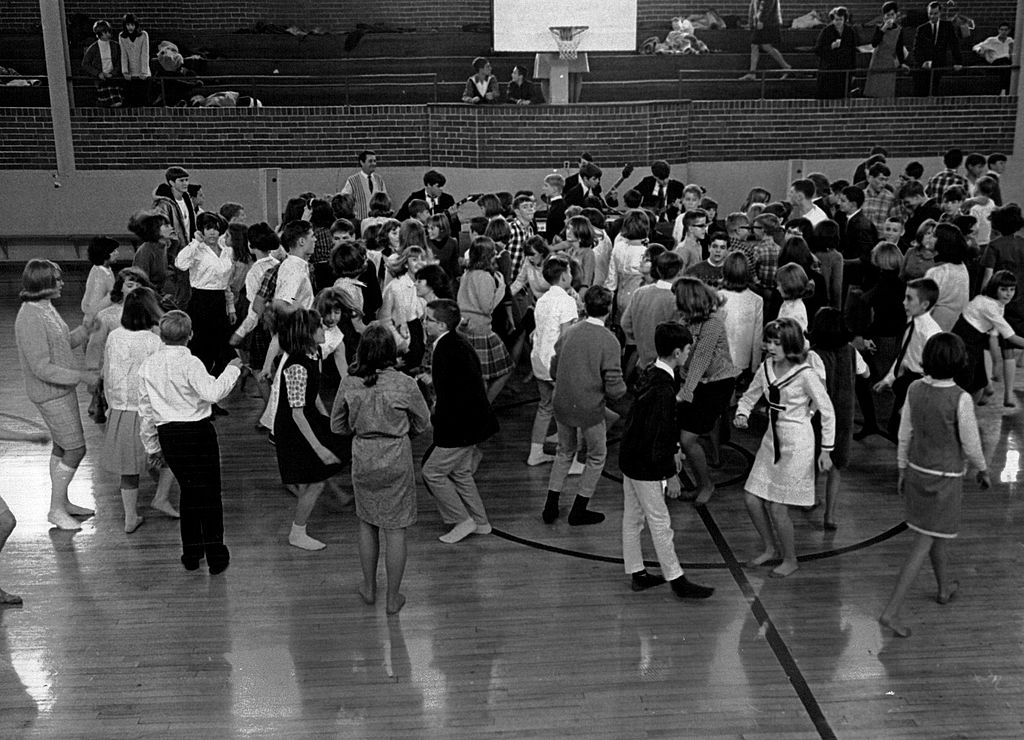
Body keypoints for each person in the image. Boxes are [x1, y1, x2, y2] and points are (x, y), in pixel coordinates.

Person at [879, 332, 990, 638]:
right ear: (960, 363)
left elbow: (905, 433)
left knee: (934, 535)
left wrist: (901, 466)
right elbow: (970, 442)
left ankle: (943, 588)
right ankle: (891, 611)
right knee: (925, 541)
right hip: (945, 480)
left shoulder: (914, 388)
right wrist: (982, 469)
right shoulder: (961, 398)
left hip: (916, 473)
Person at [330, 324, 431, 615]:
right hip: (396, 455)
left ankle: (369, 587)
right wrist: (400, 433)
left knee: (367, 521)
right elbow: (423, 423)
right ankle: (393, 597)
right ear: (391, 352)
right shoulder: (405, 384)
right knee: (396, 528)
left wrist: (359, 429)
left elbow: (336, 425)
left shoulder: (350, 383)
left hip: (363, 455)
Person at [137, 311, 243, 573]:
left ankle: (192, 553)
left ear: (161, 335)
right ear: (190, 335)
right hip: (198, 433)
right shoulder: (191, 363)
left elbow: (146, 410)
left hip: (169, 435)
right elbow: (213, 393)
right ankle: (216, 554)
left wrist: (152, 446)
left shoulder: (148, 366)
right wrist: (232, 370)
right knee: (209, 495)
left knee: (189, 492)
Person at [620, 322, 716, 599]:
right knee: (660, 520)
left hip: (631, 456)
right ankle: (676, 579)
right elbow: (658, 433)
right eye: (687, 350)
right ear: (677, 352)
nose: (689, 354)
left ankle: (637, 571)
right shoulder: (663, 387)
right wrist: (670, 474)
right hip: (645, 463)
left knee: (633, 517)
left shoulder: (651, 372)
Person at [734, 318, 835, 578]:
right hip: (771, 441)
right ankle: (769, 547)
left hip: (798, 444)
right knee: (751, 498)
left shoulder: (806, 374)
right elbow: (749, 395)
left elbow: (827, 411)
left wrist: (825, 450)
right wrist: (742, 413)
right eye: (768, 341)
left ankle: (790, 559)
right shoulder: (766, 367)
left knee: (779, 509)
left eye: (776, 342)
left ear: (790, 344)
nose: (770, 347)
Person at [14, 260, 99, 531]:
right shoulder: (30, 317)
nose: (62, 283)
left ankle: (62, 502)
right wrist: (82, 376)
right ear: (43, 285)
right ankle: (56, 509)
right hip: (50, 393)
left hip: (60, 390)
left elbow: (61, 343)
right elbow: (42, 367)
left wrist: (85, 330)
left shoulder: (45, 308)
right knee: (76, 448)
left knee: (63, 447)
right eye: (57, 280)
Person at [543, 287, 626, 526]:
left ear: (585, 306)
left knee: (564, 451)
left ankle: (551, 505)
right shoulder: (609, 340)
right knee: (597, 456)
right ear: (609, 309)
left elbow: (554, 367)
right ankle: (579, 509)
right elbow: (614, 384)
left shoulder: (571, 332)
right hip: (589, 407)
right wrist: (623, 393)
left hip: (562, 401)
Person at [420, 299, 499, 544]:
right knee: (461, 472)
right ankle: (481, 521)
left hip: (460, 425)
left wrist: (436, 419)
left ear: (442, 324)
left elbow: (449, 397)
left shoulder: (444, 349)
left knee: (432, 472)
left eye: (428, 319)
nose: (424, 323)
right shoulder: (456, 344)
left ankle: (462, 520)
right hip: (475, 422)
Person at [102, 287, 178, 533]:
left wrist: (108, 403)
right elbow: (163, 379)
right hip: (148, 411)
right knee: (169, 456)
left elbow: (107, 370)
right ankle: (161, 497)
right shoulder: (154, 341)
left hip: (119, 409)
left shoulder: (114, 336)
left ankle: (130, 516)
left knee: (128, 468)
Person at [274, 309, 347, 552]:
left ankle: (331, 496)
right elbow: (296, 412)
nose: (323, 331)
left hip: (309, 417)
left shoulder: (314, 353)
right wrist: (319, 446)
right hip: (294, 427)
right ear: (308, 333)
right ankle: (298, 531)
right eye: (319, 327)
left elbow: (311, 393)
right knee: (315, 481)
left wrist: (326, 418)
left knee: (317, 473)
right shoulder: (296, 365)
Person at [674, 277, 740, 505]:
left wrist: (686, 391)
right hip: (694, 382)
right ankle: (702, 481)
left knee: (687, 439)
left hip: (716, 384)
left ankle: (706, 484)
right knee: (687, 436)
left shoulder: (713, 323)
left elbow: (701, 359)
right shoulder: (686, 319)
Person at [808, 307, 869, 530]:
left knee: (814, 459)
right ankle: (830, 515)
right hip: (845, 416)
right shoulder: (851, 351)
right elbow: (866, 373)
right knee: (837, 467)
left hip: (820, 416)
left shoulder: (814, 354)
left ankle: (811, 498)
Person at [874, 277, 942, 438]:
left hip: (920, 387)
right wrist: (888, 379)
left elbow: (935, 373)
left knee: (909, 435)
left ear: (925, 304)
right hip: (907, 382)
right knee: (896, 432)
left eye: (909, 298)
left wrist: (911, 403)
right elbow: (904, 353)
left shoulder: (931, 333)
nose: (904, 302)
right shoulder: (912, 321)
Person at [528, 256, 579, 466]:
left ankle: (535, 452)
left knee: (545, 406)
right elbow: (566, 338)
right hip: (557, 363)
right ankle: (573, 456)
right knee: (573, 409)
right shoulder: (567, 301)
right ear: (565, 275)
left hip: (539, 359)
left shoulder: (542, 299)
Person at [175, 211, 235, 380]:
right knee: (202, 350)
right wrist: (195, 243)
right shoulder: (197, 250)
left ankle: (213, 392)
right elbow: (180, 264)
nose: (212, 233)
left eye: (216, 229)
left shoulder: (226, 251)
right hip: (201, 302)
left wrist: (230, 307)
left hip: (220, 301)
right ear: (201, 230)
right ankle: (201, 394)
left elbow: (226, 282)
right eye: (208, 228)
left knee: (223, 351)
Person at [951, 271, 1024, 404]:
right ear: (994, 288)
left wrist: (996, 364)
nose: (1009, 294)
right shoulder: (988, 305)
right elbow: (1011, 337)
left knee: (978, 382)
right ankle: (960, 418)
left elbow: (993, 337)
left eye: (1012, 289)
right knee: (965, 384)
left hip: (976, 340)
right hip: (964, 340)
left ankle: (968, 416)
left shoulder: (998, 304)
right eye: (1003, 289)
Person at [456, 237, 514, 402]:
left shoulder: (467, 273)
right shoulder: (485, 277)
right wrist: (501, 289)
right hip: (480, 330)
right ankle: (484, 408)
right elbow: (487, 307)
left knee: (476, 376)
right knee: (503, 370)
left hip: (465, 328)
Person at [622, 251, 684, 370]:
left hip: (642, 361)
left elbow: (625, 324)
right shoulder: (677, 299)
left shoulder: (640, 293)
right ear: (680, 271)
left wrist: (641, 339)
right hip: (667, 366)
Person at [151, 165, 197, 309]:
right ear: (171, 183)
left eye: (187, 180)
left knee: (186, 289)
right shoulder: (164, 204)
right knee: (176, 290)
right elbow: (159, 229)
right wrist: (171, 246)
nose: (185, 183)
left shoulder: (187, 199)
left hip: (188, 248)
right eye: (181, 180)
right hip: (174, 252)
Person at [720, 251, 764, 379]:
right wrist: (755, 368)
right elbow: (757, 337)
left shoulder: (716, 298)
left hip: (719, 361)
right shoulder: (756, 300)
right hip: (743, 361)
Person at [924, 223, 970, 331]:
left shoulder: (937, 272)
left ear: (943, 241)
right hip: (955, 327)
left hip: (933, 327)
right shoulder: (962, 267)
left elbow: (924, 307)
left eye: (934, 235)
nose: (929, 237)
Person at [912, 1, 964, 96]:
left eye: (935, 13)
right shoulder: (921, 29)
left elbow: (954, 45)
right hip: (925, 65)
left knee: (936, 87)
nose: (932, 16)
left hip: (939, 63)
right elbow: (917, 48)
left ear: (940, 13)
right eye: (930, 14)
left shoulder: (947, 26)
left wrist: (958, 62)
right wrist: (922, 62)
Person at [864, 2, 909, 98]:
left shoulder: (899, 30)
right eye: (887, 15)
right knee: (873, 90)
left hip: (889, 62)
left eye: (892, 15)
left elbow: (899, 48)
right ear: (884, 16)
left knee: (887, 91)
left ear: (896, 15)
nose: (890, 17)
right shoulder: (879, 28)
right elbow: (874, 43)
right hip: (877, 61)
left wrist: (902, 62)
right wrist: (883, 28)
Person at [813, 7, 858, 99]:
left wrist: (853, 72)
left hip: (844, 69)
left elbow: (853, 52)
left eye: (840, 19)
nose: (838, 22)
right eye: (835, 19)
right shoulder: (827, 31)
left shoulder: (850, 32)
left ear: (845, 19)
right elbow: (817, 50)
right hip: (829, 70)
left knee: (842, 96)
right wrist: (830, 47)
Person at [741, 0, 792, 80]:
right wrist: (752, 22)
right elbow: (754, 6)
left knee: (760, 45)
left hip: (767, 23)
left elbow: (767, 6)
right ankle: (786, 67)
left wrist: (761, 20)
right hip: (763, 23)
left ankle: (786, 67)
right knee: (759, 46)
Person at [130, 209, 173, 295]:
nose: (171, 228)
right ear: (156, 230)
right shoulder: (145, 251)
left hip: (158, 294)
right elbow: (141, 282)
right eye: (166, 226)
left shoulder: (164, 246)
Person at [81, 20, 123, 108]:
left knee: (118, 100)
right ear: (101, 33)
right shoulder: (93, 48)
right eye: (106, 32)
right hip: (101, 80)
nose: (108, 34)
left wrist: (113, 73)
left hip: (113, 78)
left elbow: (119, 61)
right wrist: (98, 73)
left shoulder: (115, 46)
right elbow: (85, 64)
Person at [339, 150, 387, 222]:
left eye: (375, 161)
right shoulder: (352, 181)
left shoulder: (379, 180)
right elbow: (344, 201)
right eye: (370, 161)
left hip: (378, 223)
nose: (373, 164)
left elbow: (385, 201)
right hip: (360, 223)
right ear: (362, 162)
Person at [81, 236, 119, 322]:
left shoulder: (103, 269)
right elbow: (94, 304)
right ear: (105, 253)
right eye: (113, 251)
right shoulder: (100, 275)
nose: (117, 253)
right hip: (96, 321)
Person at [973, 23, 1014, 94]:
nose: (1003, 32)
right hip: (996, 62)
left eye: (1006, 30)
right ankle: (1004, 90)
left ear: (1009, 31)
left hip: (1007, 61)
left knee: (1007, 67)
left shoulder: (1010, 40)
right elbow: (976, 46)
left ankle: (1005, 90)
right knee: (1005, 68)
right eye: (1002, 30)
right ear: (998, 30)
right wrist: (979, 50)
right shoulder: (991, 40)